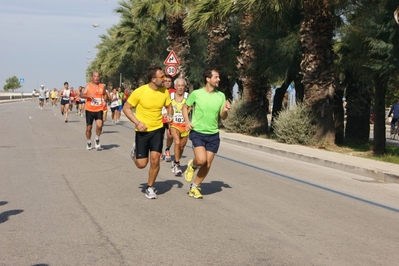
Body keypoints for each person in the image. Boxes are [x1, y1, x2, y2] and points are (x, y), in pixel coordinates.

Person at [123, 65, 173, 199]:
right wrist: (137, 123)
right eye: (161, 77)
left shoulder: (164, 92)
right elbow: (126, 108)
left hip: (157, 130)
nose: (164, 79)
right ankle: (135, 152)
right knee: (141, 164)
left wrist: (170, 115)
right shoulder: (140, 92)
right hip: (142, 131)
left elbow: (169, 106)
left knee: (156, 160)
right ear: (153, 79)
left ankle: (150, 187)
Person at [182, 68, 231, 199]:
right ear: (208, 79)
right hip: (198, 131)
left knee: (208, 163)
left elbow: (223, 117)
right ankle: (192, 165)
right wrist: (187, 122)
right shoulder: (196, 94)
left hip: (213, 133)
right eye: (216, 77)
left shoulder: (221, 96)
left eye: (218, 77)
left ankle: (195, 187)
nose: (218, 79)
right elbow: (185, 107)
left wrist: (225, 110)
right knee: (201, 160)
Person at [81, 72, 110, 150]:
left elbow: (104, 94)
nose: (96, 78)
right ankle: (88, 142)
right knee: (89, 128)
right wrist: (88, 96)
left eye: (98, 76)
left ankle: (97, 138)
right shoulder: (88, 86)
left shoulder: (102, 86)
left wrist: (104, 100)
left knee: (99, 125)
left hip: (99, 109)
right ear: (92, 77)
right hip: (89, 109)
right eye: (95, 76)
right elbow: (81, 95)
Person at [169, 78, 190, 175]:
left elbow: (194, 109)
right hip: (174, 124)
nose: (180, 88)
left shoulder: (188, 97)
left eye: (182, 86)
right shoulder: (170, 96)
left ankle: (176, 161)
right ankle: (177, 164)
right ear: (175, 87)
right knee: (177, 142)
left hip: (185, 124)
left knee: (181, 146)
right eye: (179, 86)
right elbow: (165, 108)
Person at [161, 75, 175, 161]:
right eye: (165, 81)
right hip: (160, 117)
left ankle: (167, 149)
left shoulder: (174, 92)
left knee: (170, 136)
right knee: (160, 136)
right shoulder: (159, 91)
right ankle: (159, 151)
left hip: (171, 117)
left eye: (169, 81)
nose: (167, 82)